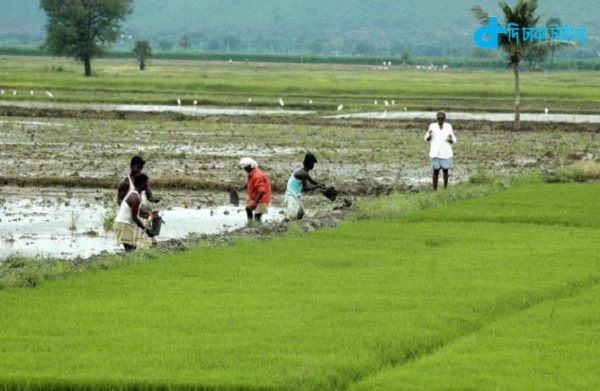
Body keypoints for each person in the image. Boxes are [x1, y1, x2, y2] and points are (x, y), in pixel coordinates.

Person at [114, 173, 155, 251]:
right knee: (130, 250)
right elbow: (135, 217)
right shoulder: (135, 197)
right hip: (123, 225)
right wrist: (146, 230)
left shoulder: (135, 194)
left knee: (132, 249)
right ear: (142, 183)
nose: (147, 185)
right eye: (146, 182)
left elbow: (136, 209)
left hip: (124, 224)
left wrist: (148, 213)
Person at [285, 152, 324, 220]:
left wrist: (319, 184)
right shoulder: (303, 174)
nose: (313, 166)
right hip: (291, 196)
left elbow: (312, 181)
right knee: (292, 216)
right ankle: (282, 227)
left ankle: (295, 228)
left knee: (300, 214)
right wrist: (317, 186)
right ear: (311, 164)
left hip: (294, 195)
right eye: (313, 164)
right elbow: (305, 188)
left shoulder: (302, 171)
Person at [425, 112, 456, 190]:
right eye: (438, 118)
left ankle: (445, 188)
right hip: (435, 152)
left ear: (445, 119)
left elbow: (453, 139)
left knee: (445, 171)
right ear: (436, 119)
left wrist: (450, 139)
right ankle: (434, 190)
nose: (440, 120)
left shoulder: (448, 126)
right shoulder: (432, 126)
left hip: (445, 152)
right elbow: (426, 138)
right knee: (436, 171)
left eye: (442, 118)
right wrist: (430, 136)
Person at [239, 157, 272, 223]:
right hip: (256, 198)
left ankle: (258, 230)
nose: (244, 169)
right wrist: (241, 188)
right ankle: (250, 225)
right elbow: (250, 183)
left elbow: (261, 191)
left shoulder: (258, 175)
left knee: (257, 216)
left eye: (245, 167)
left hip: (262, 199)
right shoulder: (252, 173)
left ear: (250, 166)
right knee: (248, 209)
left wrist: (255, 203)